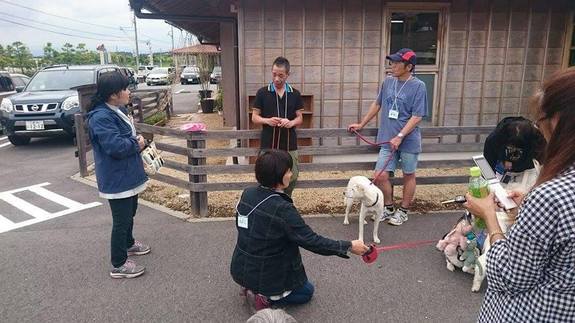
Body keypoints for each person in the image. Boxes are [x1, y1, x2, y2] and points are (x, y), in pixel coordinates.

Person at [464, 68, 575, 322]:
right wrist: (527, 203)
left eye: (540, 120)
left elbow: (509, 277)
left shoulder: (549, 197)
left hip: (531, 313)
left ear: (557, 120)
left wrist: (489, 217)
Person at [230, 149, 369, 313]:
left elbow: (241, 224)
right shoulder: (282, 209)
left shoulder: (247, 193)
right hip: (268, 275)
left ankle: (251, 287)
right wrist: (349, 246)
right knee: (306, 292)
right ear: (279, 175)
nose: (291, 174)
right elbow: (312, 241)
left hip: (239, 269)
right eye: (288, 170)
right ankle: (264, 297)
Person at [348, 48, 427, 226]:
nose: (392, 66)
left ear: (409, 66)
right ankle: (389, 207)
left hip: (408, 140)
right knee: (381, 175)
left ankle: (404, 211)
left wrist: (400, 136)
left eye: (397, 63)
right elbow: (377, 104)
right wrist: (362, 124)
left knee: (408, 175)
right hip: (387, 139)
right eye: (392, 62)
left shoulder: (419, 86)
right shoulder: (388, 82)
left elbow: (417, 116)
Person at [87, 71, 150, 279]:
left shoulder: (116, 109)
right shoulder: (100, 117)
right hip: (117, 178)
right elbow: (115, 146)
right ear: (113, 94)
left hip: (128, 174)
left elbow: (124, 137)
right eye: (125, 88)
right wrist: (137, 142)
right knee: (121, 220)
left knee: (130, 212)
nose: (128, 91)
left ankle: (129, 243)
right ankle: (119, 263)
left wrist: (135, 140)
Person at [251, 57, 304, 197]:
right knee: (265, 176)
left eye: (281, 75)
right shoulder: (262, 92)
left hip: (289, 143)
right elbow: (254, 117)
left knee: (292, 176)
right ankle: (267, 202)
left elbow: (300, 118)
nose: (277, 78)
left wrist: (291, 122)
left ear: (287, 74)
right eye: (274, 74)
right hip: (268, 143)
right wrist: (267, 120)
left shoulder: (295, 94)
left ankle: (285, 201)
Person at [483, 116, 545, 191]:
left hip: (528, 171)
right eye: (510, 148)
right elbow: (487, 168)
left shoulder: (537, 139)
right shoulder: (494, 139)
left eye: (517, 149)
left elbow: (541, 161)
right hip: (503, 174)